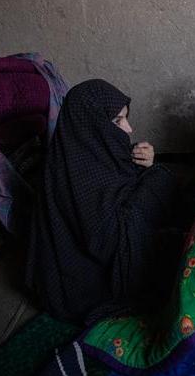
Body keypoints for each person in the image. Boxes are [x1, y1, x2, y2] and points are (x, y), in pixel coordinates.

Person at [26, 79, 177, 323]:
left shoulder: (86, 150)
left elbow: (119, 184)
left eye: (126, 118)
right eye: (118, 121)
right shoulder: (77, 176)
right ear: (92, 125)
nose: (129, 129)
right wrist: (155, 178)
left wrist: (146, 165)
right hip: (83, 285)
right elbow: (112, 242)